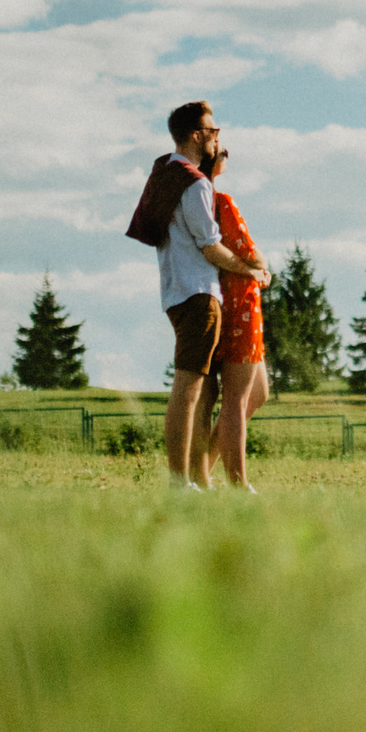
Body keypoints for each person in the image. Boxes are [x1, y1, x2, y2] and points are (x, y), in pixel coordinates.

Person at [124, 100, 268, 491]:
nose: (216, 137)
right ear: (196, 135)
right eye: (212, 131)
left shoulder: (165, 174)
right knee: (188, 390)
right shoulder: (194, 183)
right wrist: (249, 269)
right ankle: (179, 481)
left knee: (193, 390)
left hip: (173, 292)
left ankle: (188, 478)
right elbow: (211, 247)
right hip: (199, 293)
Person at [191, 145, 271, 491]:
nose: (226, 151)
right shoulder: (219, 202)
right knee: (237, 399)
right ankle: (238, 485)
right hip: (238, 301)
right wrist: (259, 269)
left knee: (255, 393)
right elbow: (247, 252)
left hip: (224, 298)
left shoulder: (203, 203)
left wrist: (259, 267)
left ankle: (201, 468)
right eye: (220, 147)